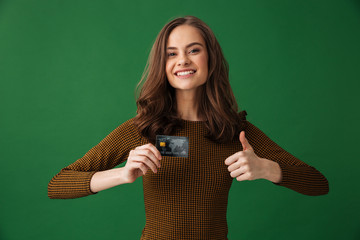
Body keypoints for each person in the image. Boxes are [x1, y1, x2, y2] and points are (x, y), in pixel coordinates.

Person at [48, 16, 329, 239]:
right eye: (171, 54)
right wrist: (123, 174)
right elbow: (58, 184)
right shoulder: (144, 129)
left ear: (210, 58)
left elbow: (318, 183)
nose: (182, 60)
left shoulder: (235, 131)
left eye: (193, 50)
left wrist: (266, 169)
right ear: (163, 64)